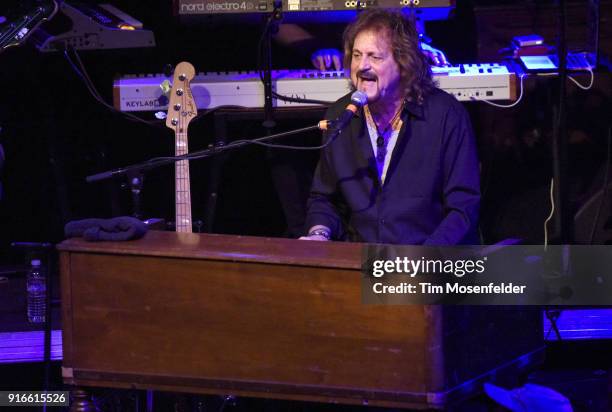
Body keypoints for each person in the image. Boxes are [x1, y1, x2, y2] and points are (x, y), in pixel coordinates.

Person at [301, 9, 480, 245]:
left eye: (374, 57)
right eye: (356, 55)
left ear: (403, 63)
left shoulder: (446, 115)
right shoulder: (339, 116)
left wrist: (422, 262)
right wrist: (318, 234)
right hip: (359, 264)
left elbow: (463, 208)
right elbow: (324, 199)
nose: (361, 66)